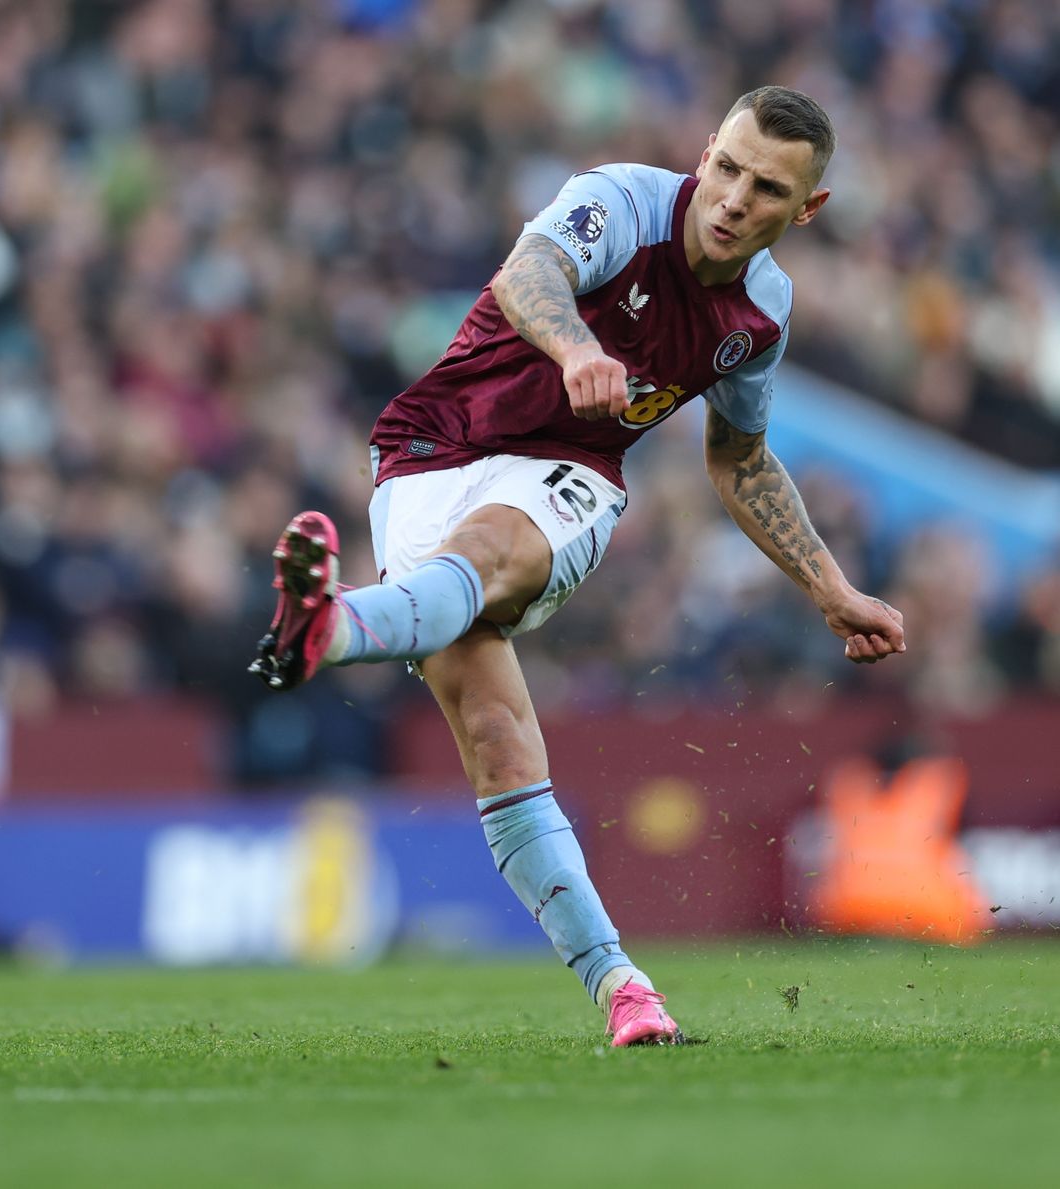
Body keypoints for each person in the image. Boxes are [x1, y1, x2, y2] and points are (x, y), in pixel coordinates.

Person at [249, 87, 907, 1045]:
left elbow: (739, 458)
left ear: (807, 210)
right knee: (497, 734)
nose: (731, 197)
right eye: (725, 166)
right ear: (704, 151)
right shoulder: (624, 202)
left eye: (766, 188)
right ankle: (625, 990)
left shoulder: (761, 317)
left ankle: (333, 625)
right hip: (429, 449)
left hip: (574, 473)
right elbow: (531, 272)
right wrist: (574, 348)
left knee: (489, 555)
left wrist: (832, 589)